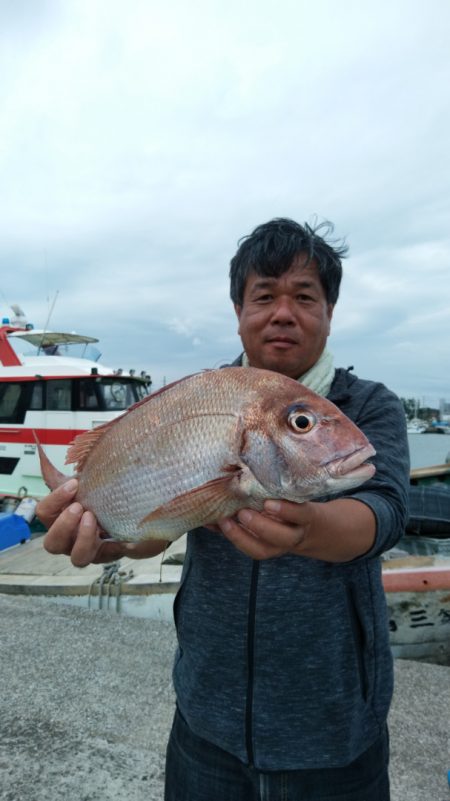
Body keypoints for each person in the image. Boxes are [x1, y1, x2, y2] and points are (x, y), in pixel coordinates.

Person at [37, 217, 410, 801]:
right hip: (206, 722)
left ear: (329, 312)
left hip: (336, 733)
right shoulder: (204, 398)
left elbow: (383, 511)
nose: (283, 313)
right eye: (264, 296)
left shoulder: (368, 406)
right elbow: (159, 528)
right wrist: (109, 536)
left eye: (304, 297)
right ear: (239, 311)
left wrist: (308, 529)